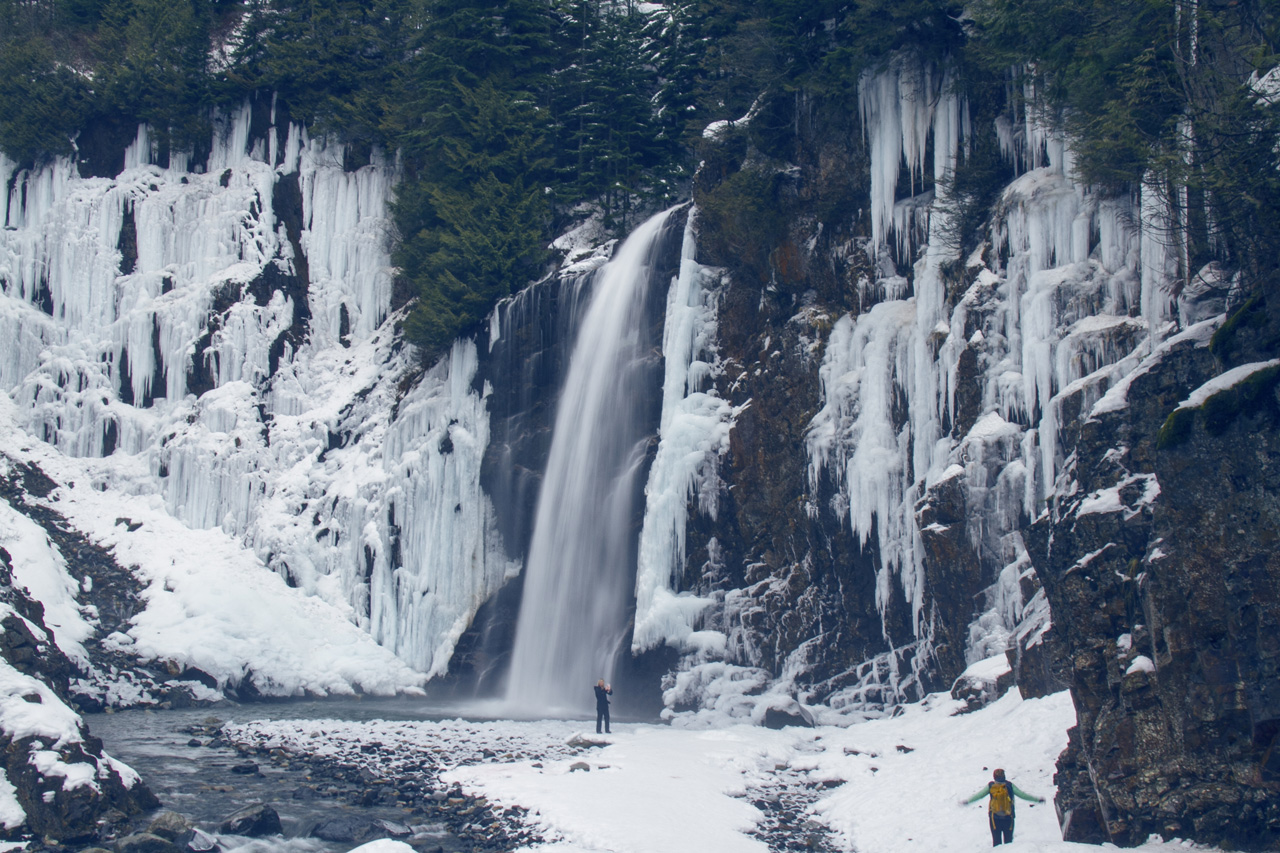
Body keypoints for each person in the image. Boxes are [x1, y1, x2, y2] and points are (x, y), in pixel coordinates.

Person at [962, 768, 1045, 846]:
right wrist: (1037, 799)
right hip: (1008, 817)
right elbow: (1023, 795)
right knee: (1008, 844)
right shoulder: (1009, 785)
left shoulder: (991, 786)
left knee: (997, 843)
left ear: (994, 777)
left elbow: (979, 795)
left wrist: (968, 801)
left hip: (994, 818)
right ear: (1004, 776)